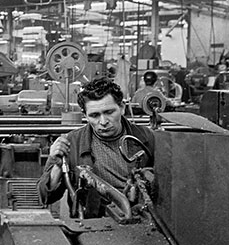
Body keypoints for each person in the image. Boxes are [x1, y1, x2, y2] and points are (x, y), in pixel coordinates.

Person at [37, 77, 155, 218]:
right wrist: (56, 165)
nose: (103, 122)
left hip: (141, 219)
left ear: (122, 108)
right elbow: (45, 197)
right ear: (85, 116)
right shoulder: (72, 143)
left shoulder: (146, 137)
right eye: (94, 115)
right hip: (93, 223)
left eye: (109, 112)